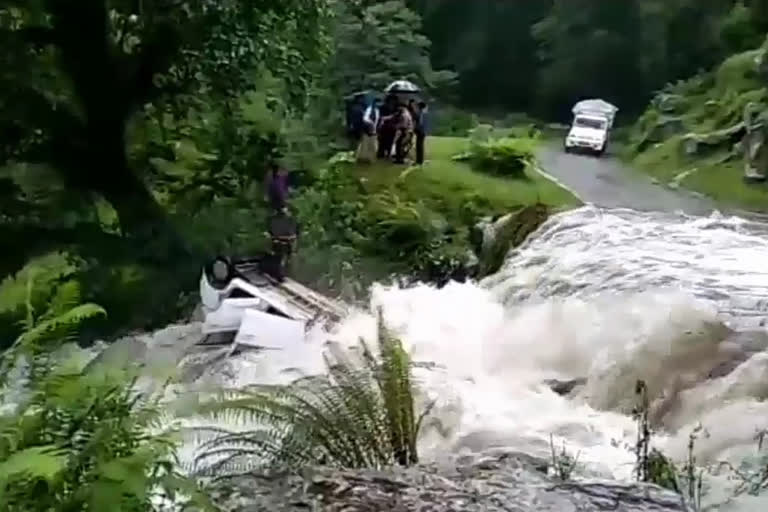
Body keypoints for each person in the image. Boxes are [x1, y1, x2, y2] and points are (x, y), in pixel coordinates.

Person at [261, 207, 299, 282]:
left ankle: (281, 275)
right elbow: (270, 232)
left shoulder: (289, 221)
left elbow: (293, 235)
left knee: (283, 260)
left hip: (284, 244)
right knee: (278, 259)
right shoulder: (275, 220)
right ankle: (278, 275)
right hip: (278, 244)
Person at [356, 97, 379, 164]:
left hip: (373, 130)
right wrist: (370, 123)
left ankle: (371, 159)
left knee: (373, 145)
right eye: (376, 103)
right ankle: (363, 159)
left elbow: (377, 120)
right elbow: (365, 118)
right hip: (367, 130)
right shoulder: (369, 109)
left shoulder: (377, 110)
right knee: (365, 145)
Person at [377, 95, 398, 160]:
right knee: (382, 142)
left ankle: (388, 154)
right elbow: (381, 117)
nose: (393, 102)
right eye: (392, 100)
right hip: (384, 127)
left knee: (390, 141)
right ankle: (381, 154)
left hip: (392, 127)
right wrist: (391, 116)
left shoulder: (395, 108)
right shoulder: (383, 107)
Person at [415, 101, 430, 165]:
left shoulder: (420, 113)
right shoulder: (424, 113)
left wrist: (416, 129)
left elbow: (420, 123)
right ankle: (419, 160)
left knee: (419, 146)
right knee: (419, 146)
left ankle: (419, 160)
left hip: (420, 131)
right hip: (422, 131)